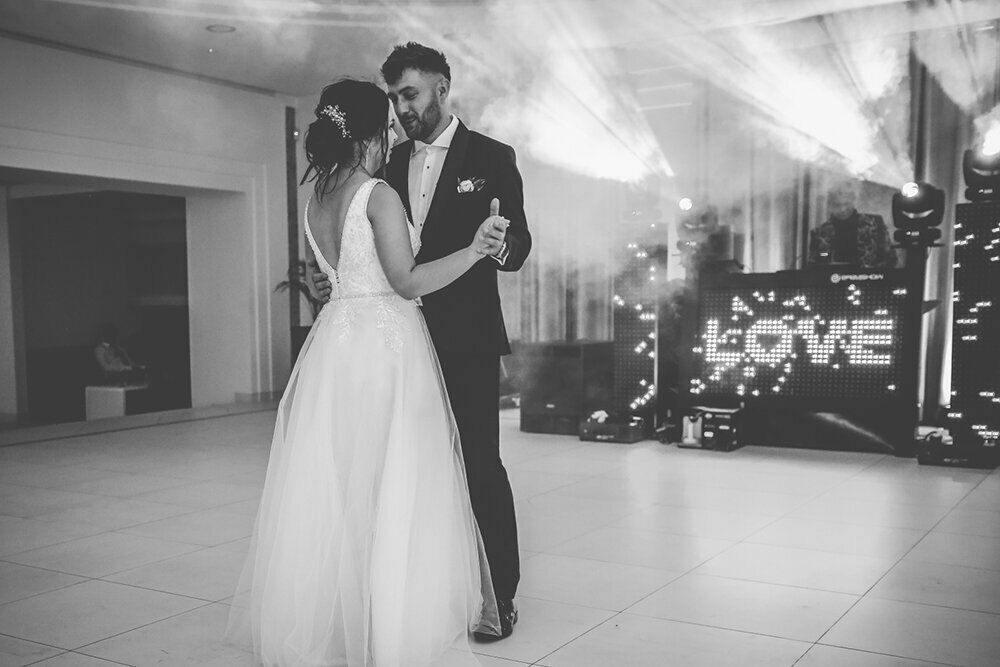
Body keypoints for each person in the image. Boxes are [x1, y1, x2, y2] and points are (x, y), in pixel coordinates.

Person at [226, 79, 505, 665]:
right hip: (386, 348)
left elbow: (329, 279)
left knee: (345, 484)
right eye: (386, 126)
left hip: (335, 349)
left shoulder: (316, 198)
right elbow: (407, 281)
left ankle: (342, 619)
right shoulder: (377, 194)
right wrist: (476, 250)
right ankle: (391, 619)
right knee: (397, 479)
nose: (392, 136)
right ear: (370, 132)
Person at [313, 43, 531, 640]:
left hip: (465, 339)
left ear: (442, 87)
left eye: (409, 94)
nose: (401, 108)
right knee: (401, 471)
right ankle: (419, 593)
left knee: (478, 464)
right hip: (395, 345)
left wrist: (499, 242)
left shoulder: (491, 156)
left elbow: (519, 246)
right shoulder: (381, 165)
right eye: (393, 98)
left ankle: (498, 597)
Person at [808, 180, 897, 268]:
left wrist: (870, 272)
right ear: (830, 205)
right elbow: (814, 265)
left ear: (854, 201)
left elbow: (890, 258)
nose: (842, 209)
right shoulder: (819, 233)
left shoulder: (874, 224)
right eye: (837, 205)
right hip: (833, 276)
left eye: (846, 204)